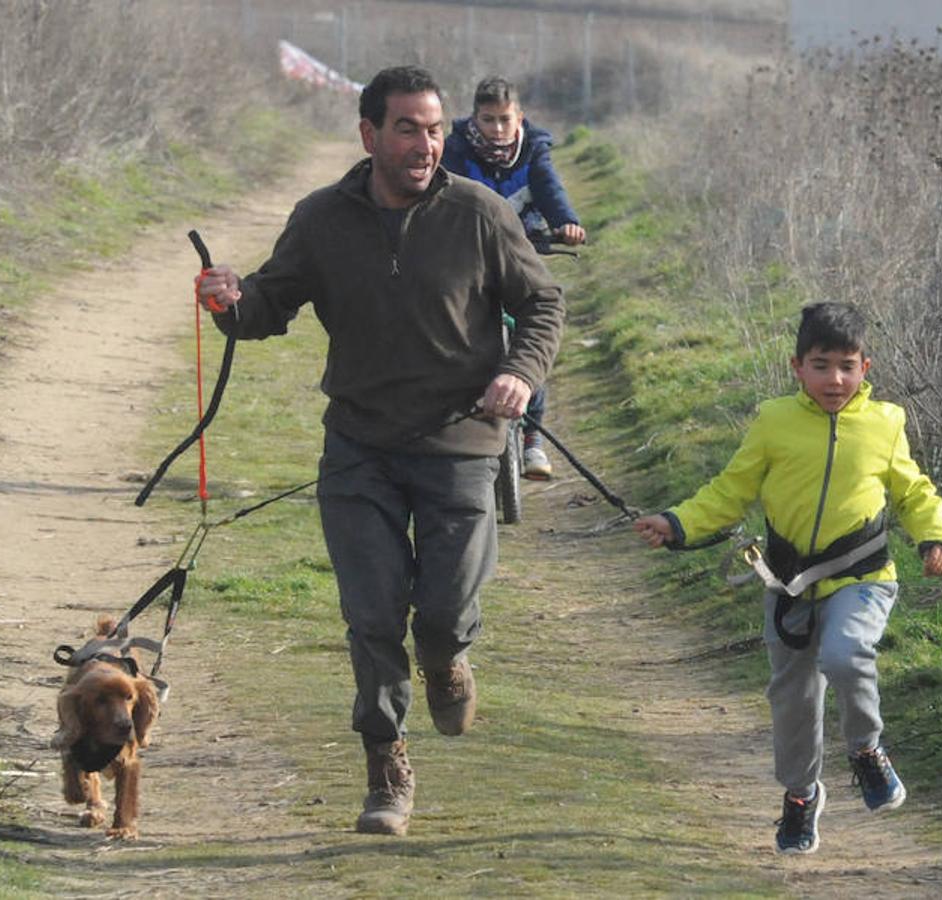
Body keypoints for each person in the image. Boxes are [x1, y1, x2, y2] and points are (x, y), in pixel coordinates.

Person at [195, 66, 564, 837]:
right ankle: (386, 761)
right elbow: (269, 304)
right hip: (360, 446)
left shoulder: (480, 213)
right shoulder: (322, 218)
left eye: (435, 129)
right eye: (408, 129)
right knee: (370, 615)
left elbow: (542, 302)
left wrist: (518, 373)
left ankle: (446, 656)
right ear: (369, 135)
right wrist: (232, 302)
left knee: (441, 613)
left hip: (463, 444)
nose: (426, 144)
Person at [633, 302, 942, 856]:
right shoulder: (774, 422)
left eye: (847, 366)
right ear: (797, 368)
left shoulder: (886, 423)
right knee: (793, 697)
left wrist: (934, 536)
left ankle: (866, 752)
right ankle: (802, 796)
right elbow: (731, 490)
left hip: (864, 576)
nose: (835, 379)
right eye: (821, 364)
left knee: (846, 653)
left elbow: (912, 490)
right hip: (788, 584)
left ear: (866, 369)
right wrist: (678, 523)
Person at [441, 76, 585, 481]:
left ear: (519, 117)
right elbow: (442, 192)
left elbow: (549, 190)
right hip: (467, 260)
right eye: (488, 120)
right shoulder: (455, 152)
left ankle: (531, 440)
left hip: (522, 257)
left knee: (528, 342)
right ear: (475, 118)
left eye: (505, 119)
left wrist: (567, 223)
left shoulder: (533, 152)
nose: (497, 129)